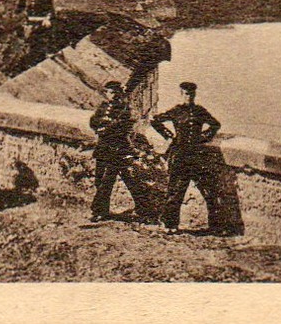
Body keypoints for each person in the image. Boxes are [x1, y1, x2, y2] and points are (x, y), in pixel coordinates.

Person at [151, 81, 225, 234]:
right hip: (180, 155)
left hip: (197, 156)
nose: (189, 96)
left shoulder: (200, 111)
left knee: (209, 190)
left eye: (191, 94)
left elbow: (215, 125)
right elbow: (155, 120)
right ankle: (170, 224)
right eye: (186, 94)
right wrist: (169, 136)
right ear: (181, 94)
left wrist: (204, 137)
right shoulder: (176, 111)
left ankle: (216, 226)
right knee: (176, 191)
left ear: (195, 94)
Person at [89, 81, 155, 222]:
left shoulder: (124, 109)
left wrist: (103, 128)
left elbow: (119, 126)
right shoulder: (103, 106)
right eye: (108, 92)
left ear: (118, 93)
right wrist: (98, 128)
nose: (110, 95)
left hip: (117, 149)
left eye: (113, 92)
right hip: (103, 148)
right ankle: (143, 209)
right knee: (102, 180)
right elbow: (93, 121)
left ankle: (99, 211)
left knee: (110, 181)